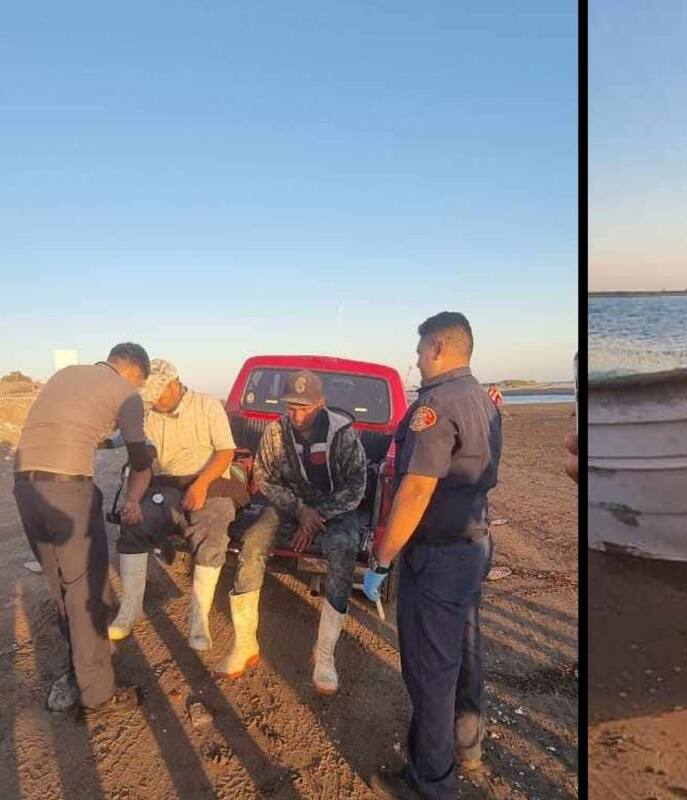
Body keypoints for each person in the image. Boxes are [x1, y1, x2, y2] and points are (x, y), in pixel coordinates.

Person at [365, 311, 502, 800]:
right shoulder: (482, 398)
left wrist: (382, 561)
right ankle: (467, 747)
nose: (416, 358)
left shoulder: (437, 405)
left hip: (438, 558)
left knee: (430, 672)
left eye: (420, 349)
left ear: (440, 347)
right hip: (473, 544)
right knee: (464, 654)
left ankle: (430, 783)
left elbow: (417, 490)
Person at [12, 343, 152, 720]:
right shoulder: (126, 394)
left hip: (25, 487)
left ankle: (81, 665)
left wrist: (112, 440)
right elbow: (139, 456)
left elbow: (80, 428)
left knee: (61, 583)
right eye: (140, 384)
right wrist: (144, 455)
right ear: (135, 374)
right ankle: (99, 695)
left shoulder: (66, 375)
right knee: (86, 592)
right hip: (67, 492)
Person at [212, 369, 367, 696]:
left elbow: (356, 486)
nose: (296, 414)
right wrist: (300, 511)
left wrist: (317, 515)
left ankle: (324, 655)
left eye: (304, 408)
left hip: (333, 508)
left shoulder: (343, 433)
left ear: (321, 403)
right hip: (289, 505)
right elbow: (266, 477)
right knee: (253, 542)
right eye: (291, 407)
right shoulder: (275, 431)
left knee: (343, 547)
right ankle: (244, 644)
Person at [108, 359, 246, 652]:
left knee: (211, 529)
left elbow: (226, 453)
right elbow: (141, 463)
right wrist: (132, 501)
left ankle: (199, 619)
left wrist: (201, 484)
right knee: (134, 523)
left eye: (158, 395)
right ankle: (130, 608)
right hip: (165, 484)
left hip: (207, 482)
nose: (154, 402)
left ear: (174, 383)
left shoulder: (207, 405)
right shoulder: (148, 413)